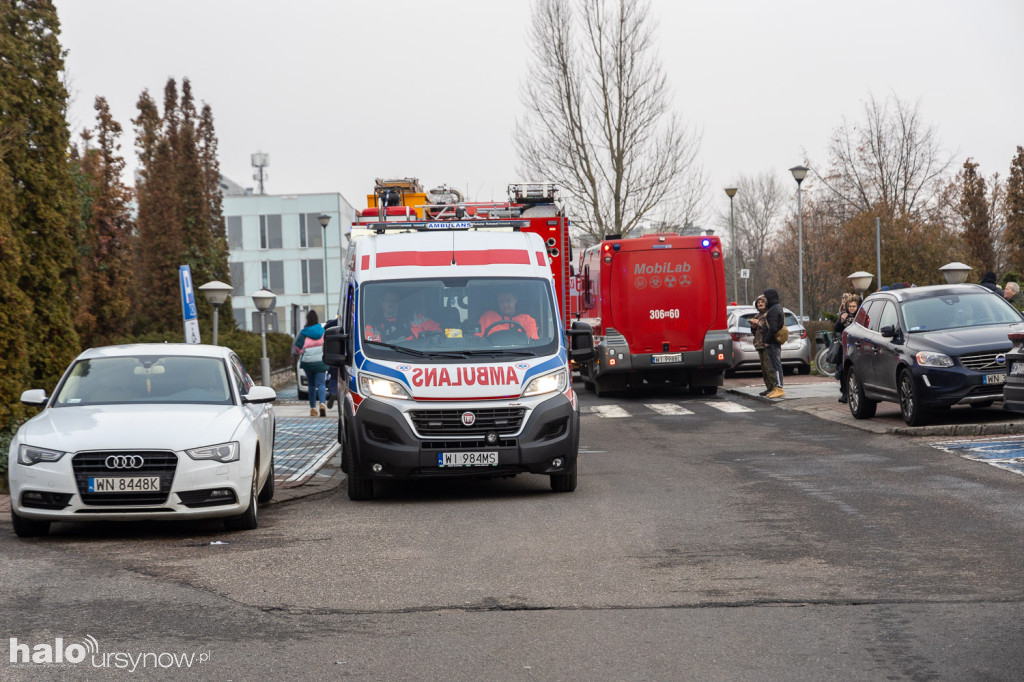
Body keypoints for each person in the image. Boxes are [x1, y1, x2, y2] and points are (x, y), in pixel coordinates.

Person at [364, 290, 440, 342]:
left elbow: (437, 332)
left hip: (416, 355)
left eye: (395, 301)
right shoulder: (373, 325)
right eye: (389, 300)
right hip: (386, 358)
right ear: (381, 303)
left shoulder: (413, 317)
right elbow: (371, 347)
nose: (392, 304)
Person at [294, 310, 329, 417]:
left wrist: (303, 352)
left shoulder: (304, 333)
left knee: (311, 385)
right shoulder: (322, 331)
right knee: (321, 384)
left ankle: (313, 409)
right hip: (320, 361)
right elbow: (327, 345)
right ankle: (322, 404)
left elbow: (297, 348)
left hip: (308, 362)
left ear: (308, 320)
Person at [746, 294, 775, 396]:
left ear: (766, 303)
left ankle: (774, 388)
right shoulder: (757, 316)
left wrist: (758, 323)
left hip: (768, 344)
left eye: (762, 302)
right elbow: (755, 332)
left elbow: (769, 327)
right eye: (758, 302)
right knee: (764, 368)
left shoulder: (769, 314)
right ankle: (768, 388)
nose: (760, 304)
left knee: (769, 367)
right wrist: (753, 327)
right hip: (759, 345)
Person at [834, 294, 861, 403]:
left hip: (857, 347)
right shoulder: (844, 315)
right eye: (850, 306)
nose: (851, 309)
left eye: (854, 306)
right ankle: (845, 393)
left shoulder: (860, 317)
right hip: (844, 347)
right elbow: (836, 328)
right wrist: (841, 321)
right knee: (842, 370)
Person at [761, 288, 785, 399]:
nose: (764, 300)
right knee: (774, 365)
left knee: (776, 365)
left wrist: (767, 340)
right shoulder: (774, 308)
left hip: (773, 343)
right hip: (772, 342)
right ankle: (776, 387)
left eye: (765, 297)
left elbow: (773, 328)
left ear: (770, 297)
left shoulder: (774, 310)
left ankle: (779, 388)